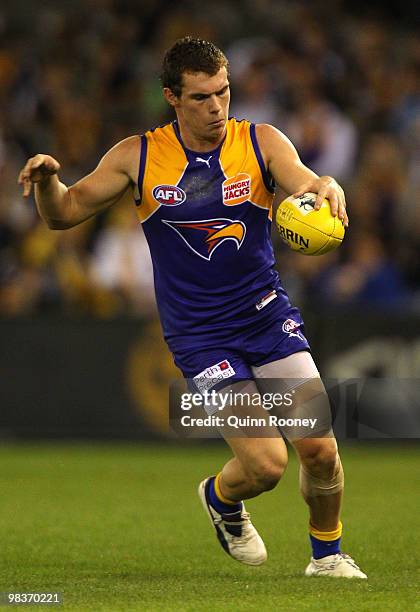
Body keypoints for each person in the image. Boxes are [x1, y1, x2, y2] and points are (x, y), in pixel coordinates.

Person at [18, 37, 366, 579]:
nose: (216, 107)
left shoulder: (260, 142)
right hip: (201, 335)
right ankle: (221, 498)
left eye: (223, 92)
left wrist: (324, 185)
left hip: (266, 316)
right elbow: (63, 214)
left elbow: (304, 182)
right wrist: (47, 183)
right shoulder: (137, 156)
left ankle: (328, 557)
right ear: (171, 98)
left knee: (320, 450)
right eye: (202, 97)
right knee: (267, 466)